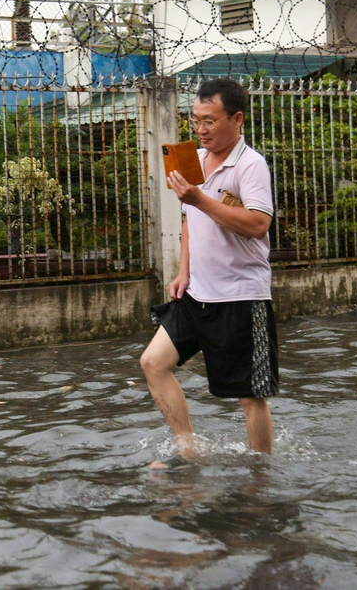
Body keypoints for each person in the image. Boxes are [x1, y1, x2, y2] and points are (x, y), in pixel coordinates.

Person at [140, 77, 279, 469]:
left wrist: (199, 198)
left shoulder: (250, 165)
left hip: (241, 296)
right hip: (197, 292)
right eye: (195, 119)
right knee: (153, 362)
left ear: (236, 120)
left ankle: (259, 474)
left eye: (210, 121)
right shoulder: (193, 159)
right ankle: (188, 450)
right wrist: (183, 270)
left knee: (250, 395)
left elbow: (257, 224)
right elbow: (189, 220)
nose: (200, 129)